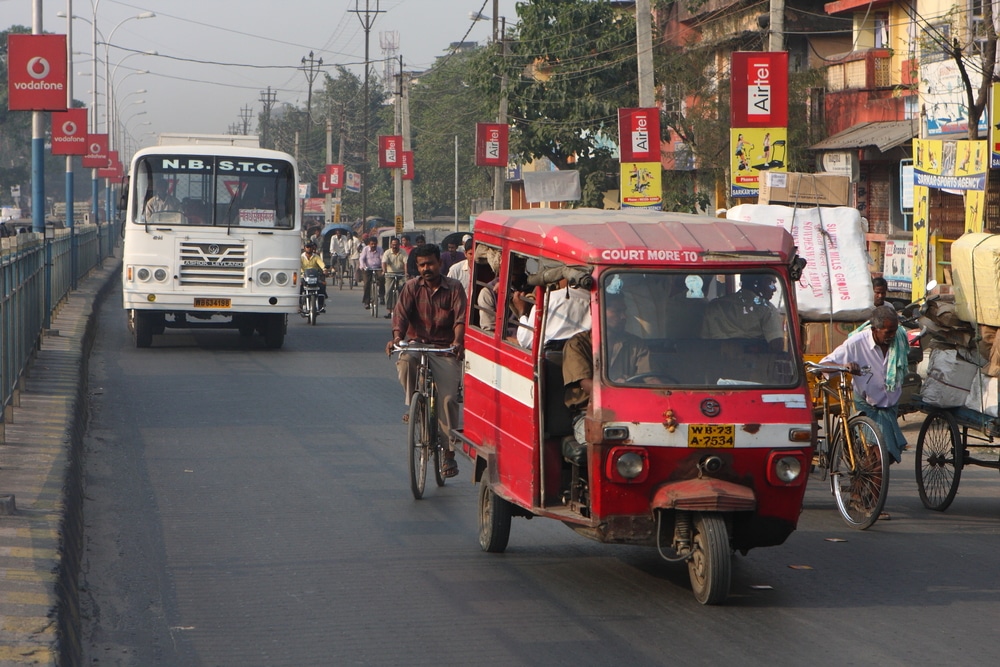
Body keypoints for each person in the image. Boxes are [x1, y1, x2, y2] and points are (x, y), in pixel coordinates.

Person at [385, 244, 467, 478]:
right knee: (405, 362)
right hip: (417, 344)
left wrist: (459, 342)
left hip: (444, 348)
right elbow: (400, 316)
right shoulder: (411, 287)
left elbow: (460, 318)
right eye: (421, 265)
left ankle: (449, 454)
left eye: (430, 263)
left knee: (449, 399)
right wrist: (397, 338)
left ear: (439, 263)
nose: (426, 268)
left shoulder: (454, 287)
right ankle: (413, 403)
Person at [561, 295, 653, 463]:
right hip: (589, 414)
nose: (623, 316)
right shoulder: (578, 345)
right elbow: (586, 384)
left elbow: (651, 380)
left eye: (624, 311)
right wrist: (620, 386)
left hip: (633, 411)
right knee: (611, 447)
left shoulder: (636, 343)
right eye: (617, 311)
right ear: (598, 311)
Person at [820, 304, 909, 464]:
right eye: (888, 332)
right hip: (867, 405)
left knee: (881, 460)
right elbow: (825, 364)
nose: (892, 336)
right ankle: (864, 485)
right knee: (879, 457)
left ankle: (859, 486)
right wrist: (844, 366)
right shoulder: (856, 343)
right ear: (875, 329)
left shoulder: (899, 339)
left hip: (890, 406)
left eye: (894, 330)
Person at [701, 274, 784, 351]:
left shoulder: (714, 306)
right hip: (756, 364)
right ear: (756, 284)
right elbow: (776, 347)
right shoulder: (767, 309)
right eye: (770, 283)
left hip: (715, 364)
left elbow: (703, 344)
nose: (774, 288)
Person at [510, 278, 591, 350]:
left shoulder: (548, 299)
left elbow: (526, 341)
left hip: (550, 363)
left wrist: (522, 312)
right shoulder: (597, 303)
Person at [381, 237, 408, 318]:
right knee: (388, 291)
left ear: (399, 245)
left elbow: (405, 264)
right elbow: (384, 262)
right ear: (391, 245)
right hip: (390, 274)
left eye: (396, 245)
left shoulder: (403, 252)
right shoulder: (387, 252)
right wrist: (384, 271)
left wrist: (406, 273)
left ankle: (402, 310)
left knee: (403, 290)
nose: (394, 246)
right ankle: (389, 311)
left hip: (401, 274)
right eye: (393, 245)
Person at [299, 241, 328, 312]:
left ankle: (321, 305)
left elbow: (321, 264)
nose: (309, 249)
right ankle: (299, 305)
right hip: (304, 277)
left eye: (310, 247)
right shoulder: (301, 257)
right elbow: (297, 265)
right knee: (299, 287)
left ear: (313, 248)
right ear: (305, 248)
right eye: (307, 247)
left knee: (322, 285)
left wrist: (324, 269)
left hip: (315, 277)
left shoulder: (316, 257)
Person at [358, 236, 384, 309]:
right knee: (367, 284)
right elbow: (362, 259)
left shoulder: (380, 249)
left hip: (378, 268)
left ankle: (381, 296)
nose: (373, 245)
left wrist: (383, 268)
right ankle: (367, 302)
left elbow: (382, 259)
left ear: (377, 244)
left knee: (382, 278)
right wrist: (363, 266)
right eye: (372, 244)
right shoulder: (365, 249)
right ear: (369, 244)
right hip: (367, 268)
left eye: (375, 244)